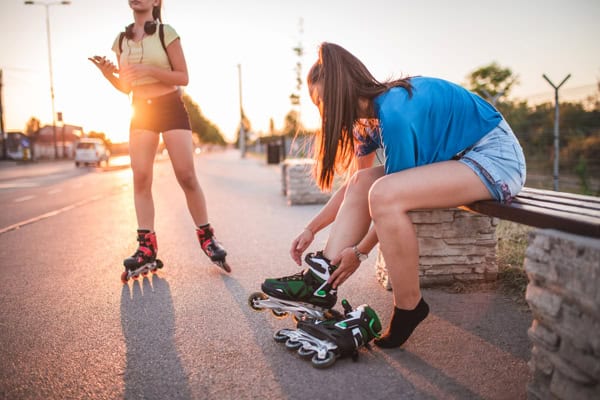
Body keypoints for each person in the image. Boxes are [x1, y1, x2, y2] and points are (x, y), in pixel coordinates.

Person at [261, 42, 526, 348]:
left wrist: (359, 253)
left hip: (495, 159)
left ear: (340, 92)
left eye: (322, 102)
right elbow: (356, 187)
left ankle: (409, 307)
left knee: (385, 192)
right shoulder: (367, 120)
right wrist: (312, 228)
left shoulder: (395, 111)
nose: (322, 112)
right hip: (458, 159)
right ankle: (320, 281)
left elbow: (388, 199)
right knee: (365, 180)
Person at [89, 0, 228, 276]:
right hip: (140, 111)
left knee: (186, 175)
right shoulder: (121, 40)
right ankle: (146, 248)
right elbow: (126, 86)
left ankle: (207, 237)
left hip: (169, 107)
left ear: (156, 2)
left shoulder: (166, 33)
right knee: (141, 178)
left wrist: (149, 70)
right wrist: (108, 75)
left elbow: (183, 77)